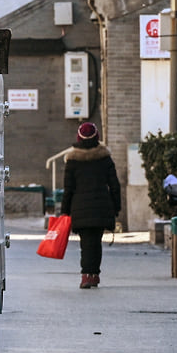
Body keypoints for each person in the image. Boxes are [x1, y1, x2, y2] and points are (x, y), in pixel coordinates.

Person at [59, 122, 121, 289]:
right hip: (102, 206)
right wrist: (116, 207)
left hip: (80, 208)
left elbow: (68, 189)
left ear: (79, 137)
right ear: (97, 137)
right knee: (96, 241)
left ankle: (86, 275)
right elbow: (114, 185)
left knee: (85, 243)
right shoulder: (104, 158)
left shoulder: (72, 160)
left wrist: (64, 211)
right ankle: (94, 274)